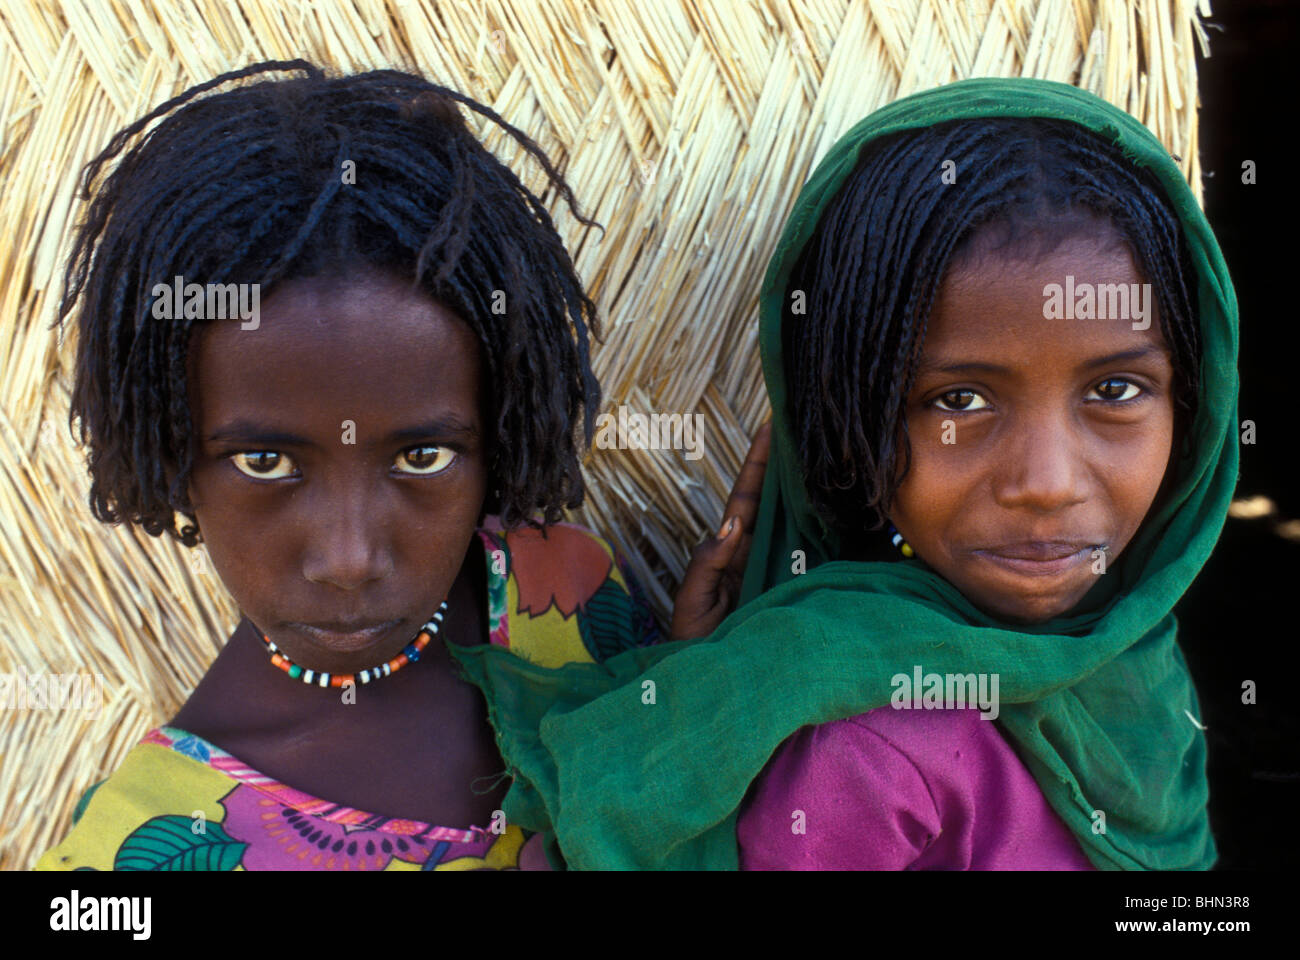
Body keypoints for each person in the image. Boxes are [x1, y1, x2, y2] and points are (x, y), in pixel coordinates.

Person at [447, 77, 1238, 870]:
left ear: (1193, 404)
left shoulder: (1132, 670)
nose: (1047, 481)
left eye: (1114, 390)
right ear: (846, 421)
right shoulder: (866, 754)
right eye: (956, 399)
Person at [36, 60, 667, 871]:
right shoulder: (127, 860)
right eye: (264, 461)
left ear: (498, 436)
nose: (348, 559)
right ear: (168, 447)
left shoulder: (568, 600)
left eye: (423, 455)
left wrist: (688, 697)